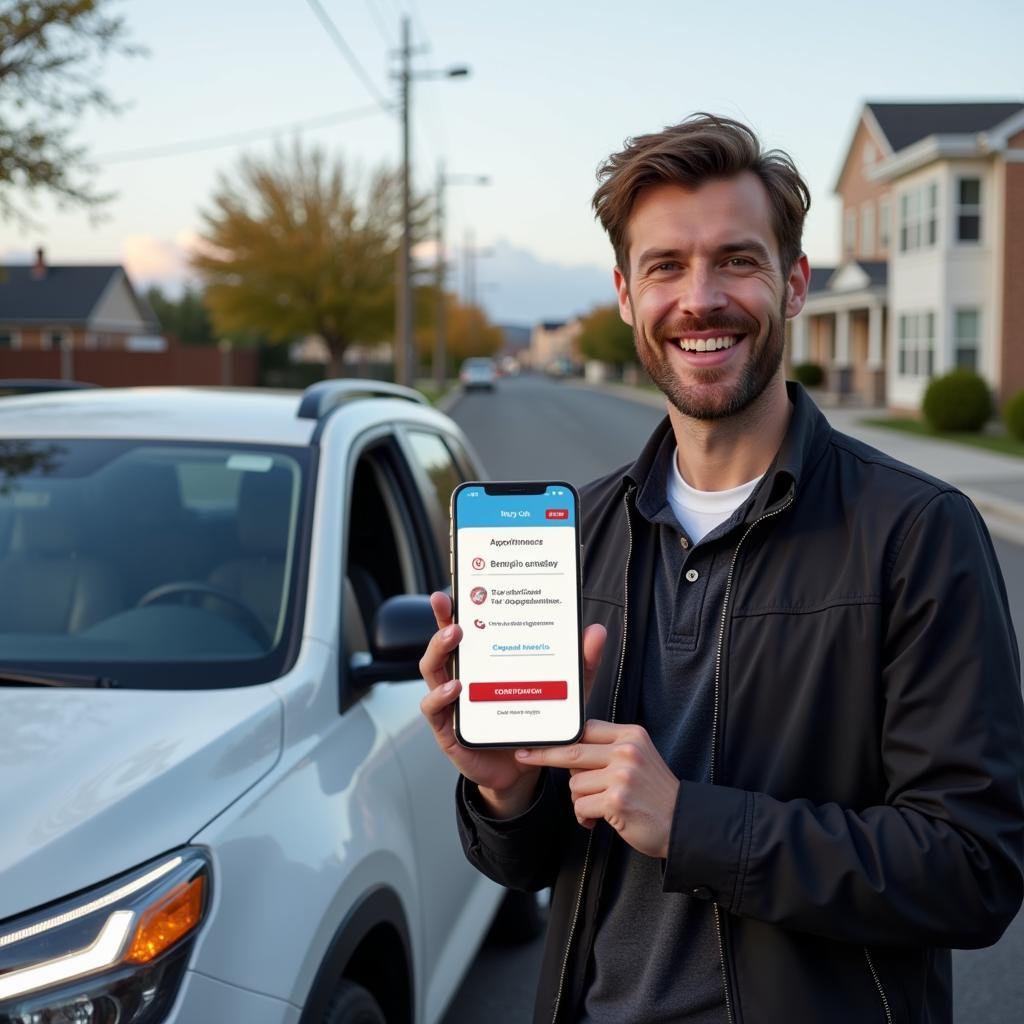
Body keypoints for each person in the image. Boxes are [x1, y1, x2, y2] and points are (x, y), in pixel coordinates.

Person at [418, 114, 1024, 1023]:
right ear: (626, 296)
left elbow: (974, 868)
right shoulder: (577, 533)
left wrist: (693, 823)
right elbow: (536, 864)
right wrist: (504, 790)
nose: (700, 298)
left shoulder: (917, 533)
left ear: (794, 284)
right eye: (666, 266)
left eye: (738, 260)